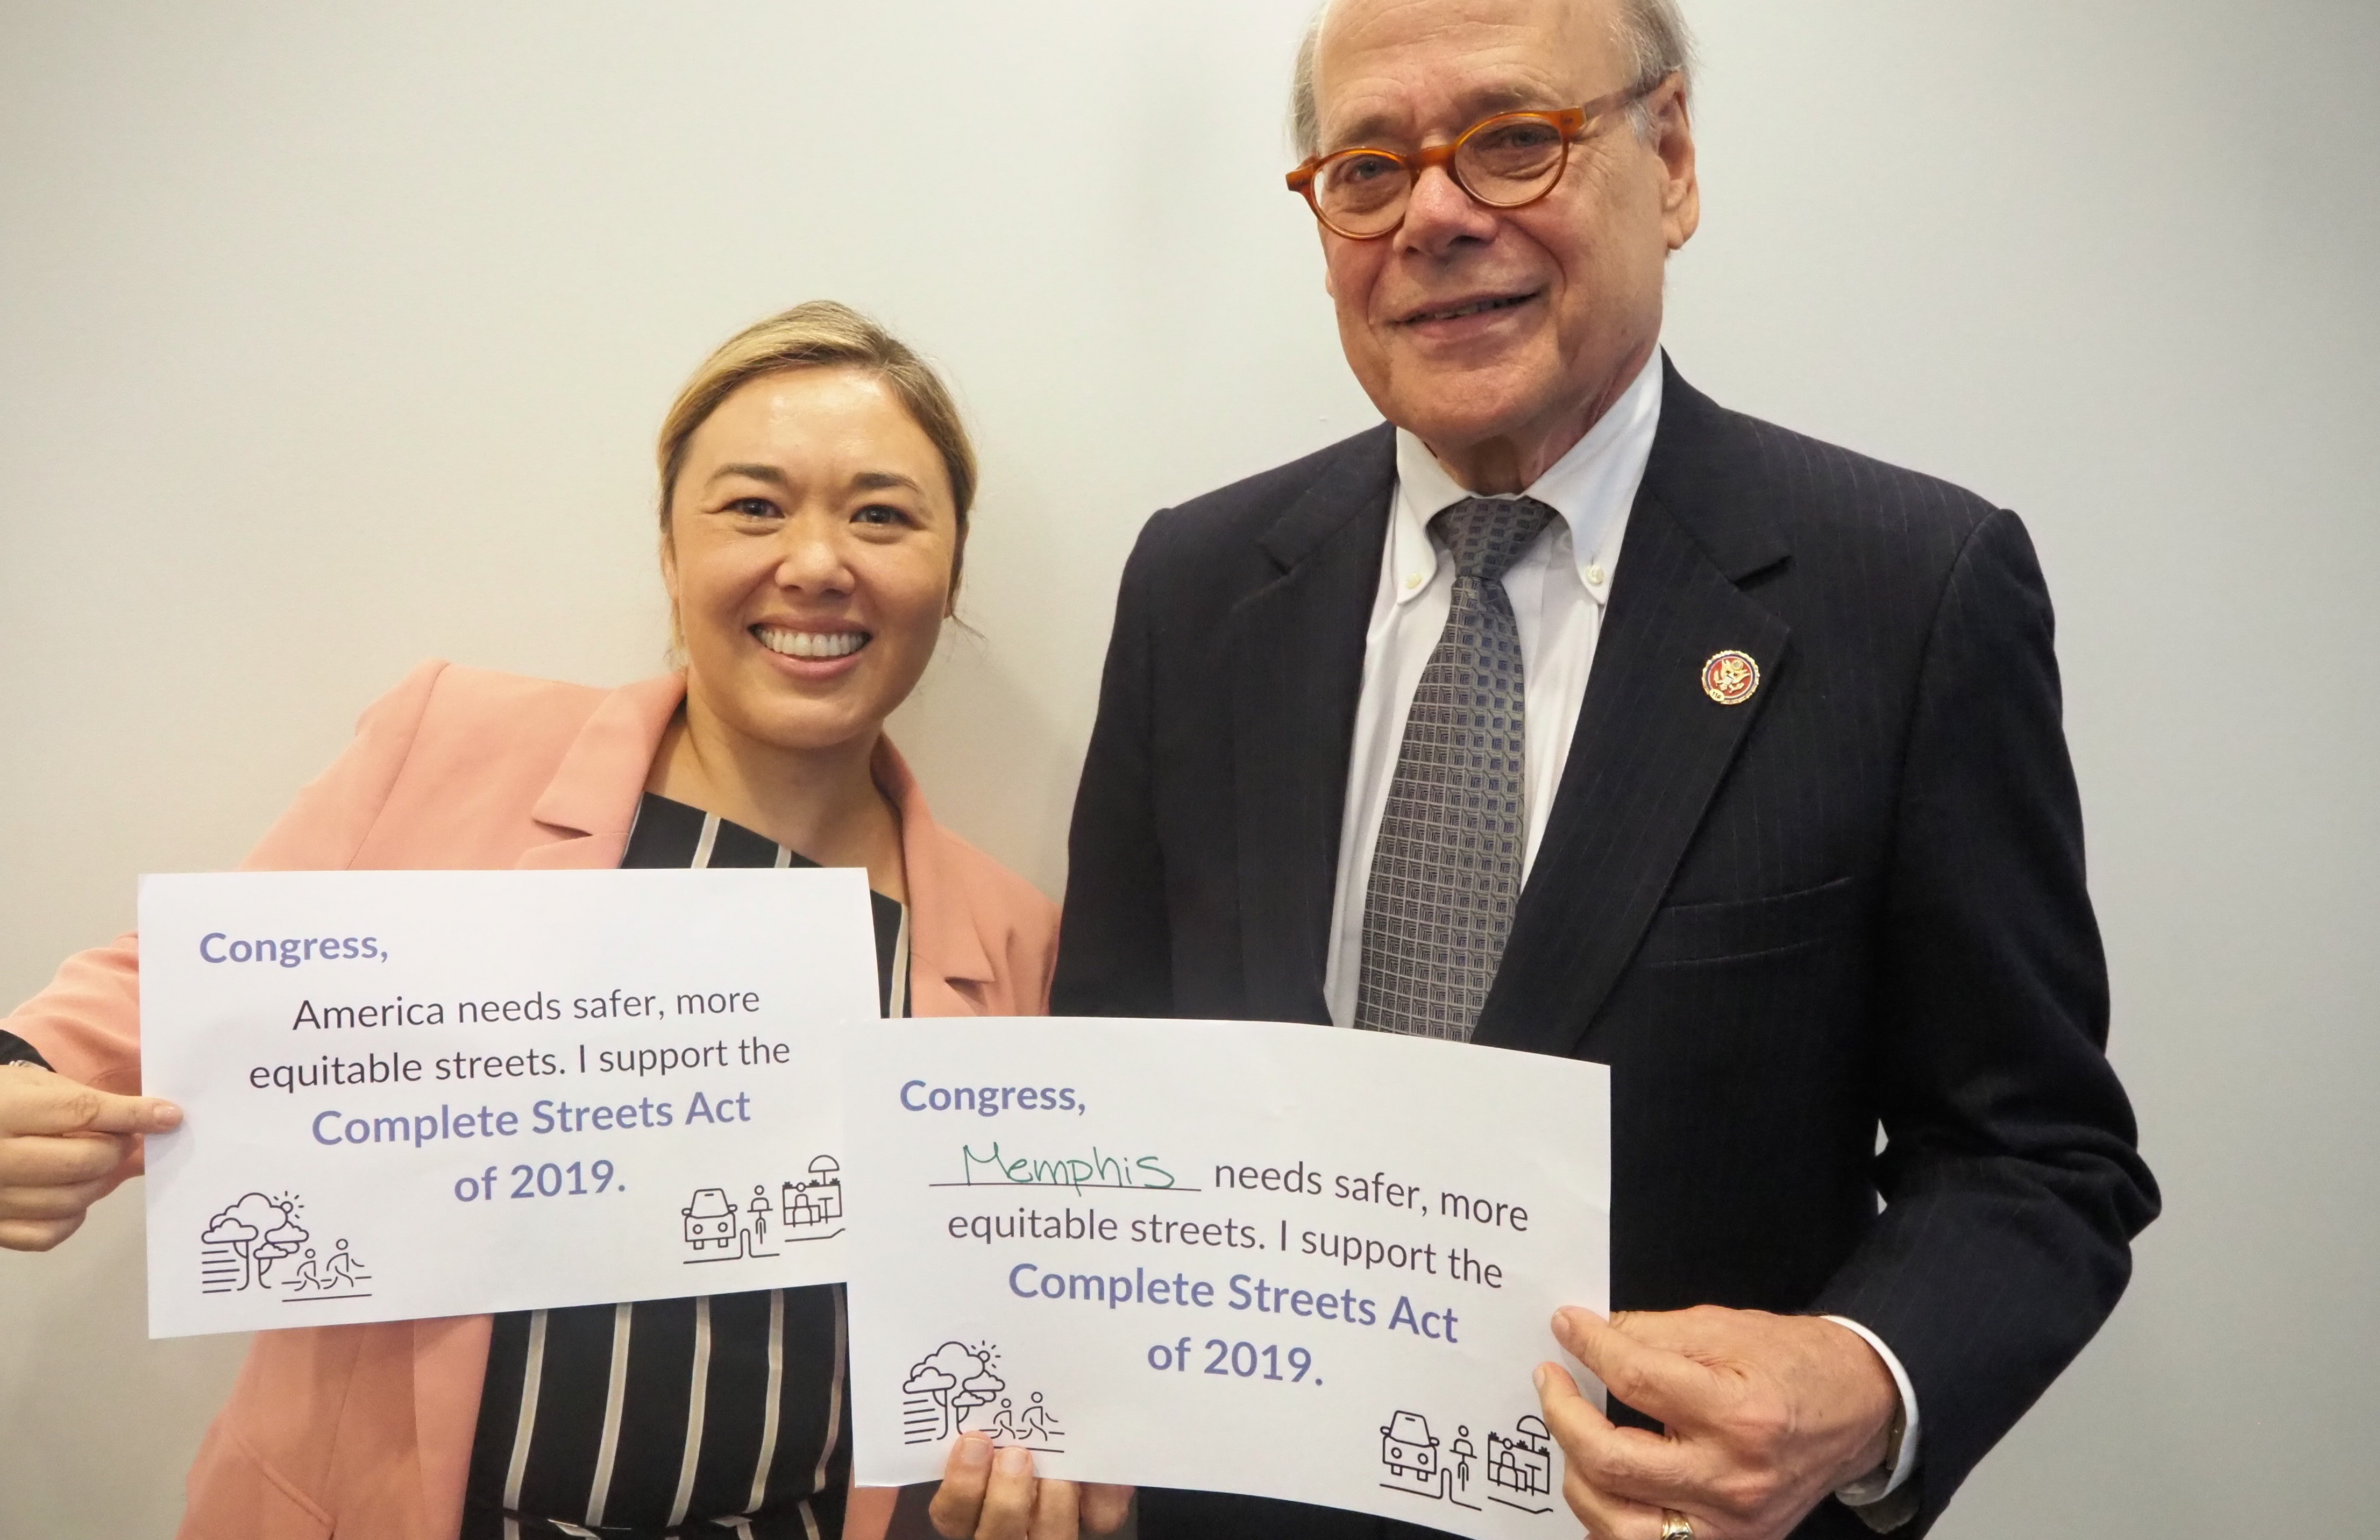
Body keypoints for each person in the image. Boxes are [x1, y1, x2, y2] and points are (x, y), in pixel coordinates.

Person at [1053, 2, 2159, 1537]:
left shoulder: (1907, 592)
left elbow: (2038, 1157)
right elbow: (1112, 1080)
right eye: (1367, 168)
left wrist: (1857, 1382)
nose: (1434, 215)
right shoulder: (1196, 586)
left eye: (1512, 142)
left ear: (1675, 159)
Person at [0, 302, 1127, 1540]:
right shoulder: (455, 741)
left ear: (949, 567)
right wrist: (25, 1075)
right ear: (668, 551)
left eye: (881, 514)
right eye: (753, 507)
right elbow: (198, 985)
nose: (816, 562)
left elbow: (1009, 1330)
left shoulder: (1017, 946)